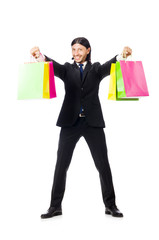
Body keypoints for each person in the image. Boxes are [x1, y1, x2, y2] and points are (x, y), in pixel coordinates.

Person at [30, 37, 132, 218]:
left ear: (88, 50)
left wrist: (122, 55)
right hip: (70, 123)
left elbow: (111, 64)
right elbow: (52, 65)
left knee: (103, 165)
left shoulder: (96, 69)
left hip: (92, 123)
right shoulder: (67, 69)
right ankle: (55, 206)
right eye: (73, 50)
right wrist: (40, 55)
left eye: (80, 50)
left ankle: (111, 205)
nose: (76, 53)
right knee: (61, 165)